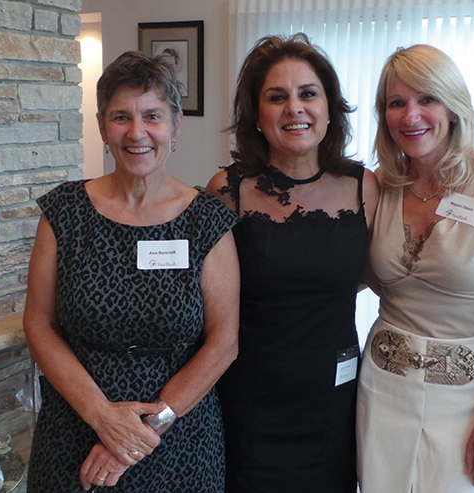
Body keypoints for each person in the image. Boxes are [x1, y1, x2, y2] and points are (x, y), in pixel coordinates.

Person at [23, 51, 240, 492]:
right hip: (75, 432)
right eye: (121, 117)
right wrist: (103, 417)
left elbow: (224, 343)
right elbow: (39, 323)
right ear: (103, 126)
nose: (137, 132)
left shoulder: (206, 221)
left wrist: (141, 434)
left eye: (153, 116)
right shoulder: (65, 212)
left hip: (179, 441)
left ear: (176, 126)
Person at [356, 44, 474, 493]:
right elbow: (368, 274)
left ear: (453, 106)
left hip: (467, 393)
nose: (410, 115)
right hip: (382, 385)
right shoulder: (382, 186)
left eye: (426, 99)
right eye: (396, 103)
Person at [206, 33, 379, 492]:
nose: (294, 108)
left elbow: (384, 274)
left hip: (335, 398)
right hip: (251, 399)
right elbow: (206, 298)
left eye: (308, 94)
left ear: (329, 108)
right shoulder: (228, 189)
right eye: (276, 97)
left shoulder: (366, 187)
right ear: (257, 116)